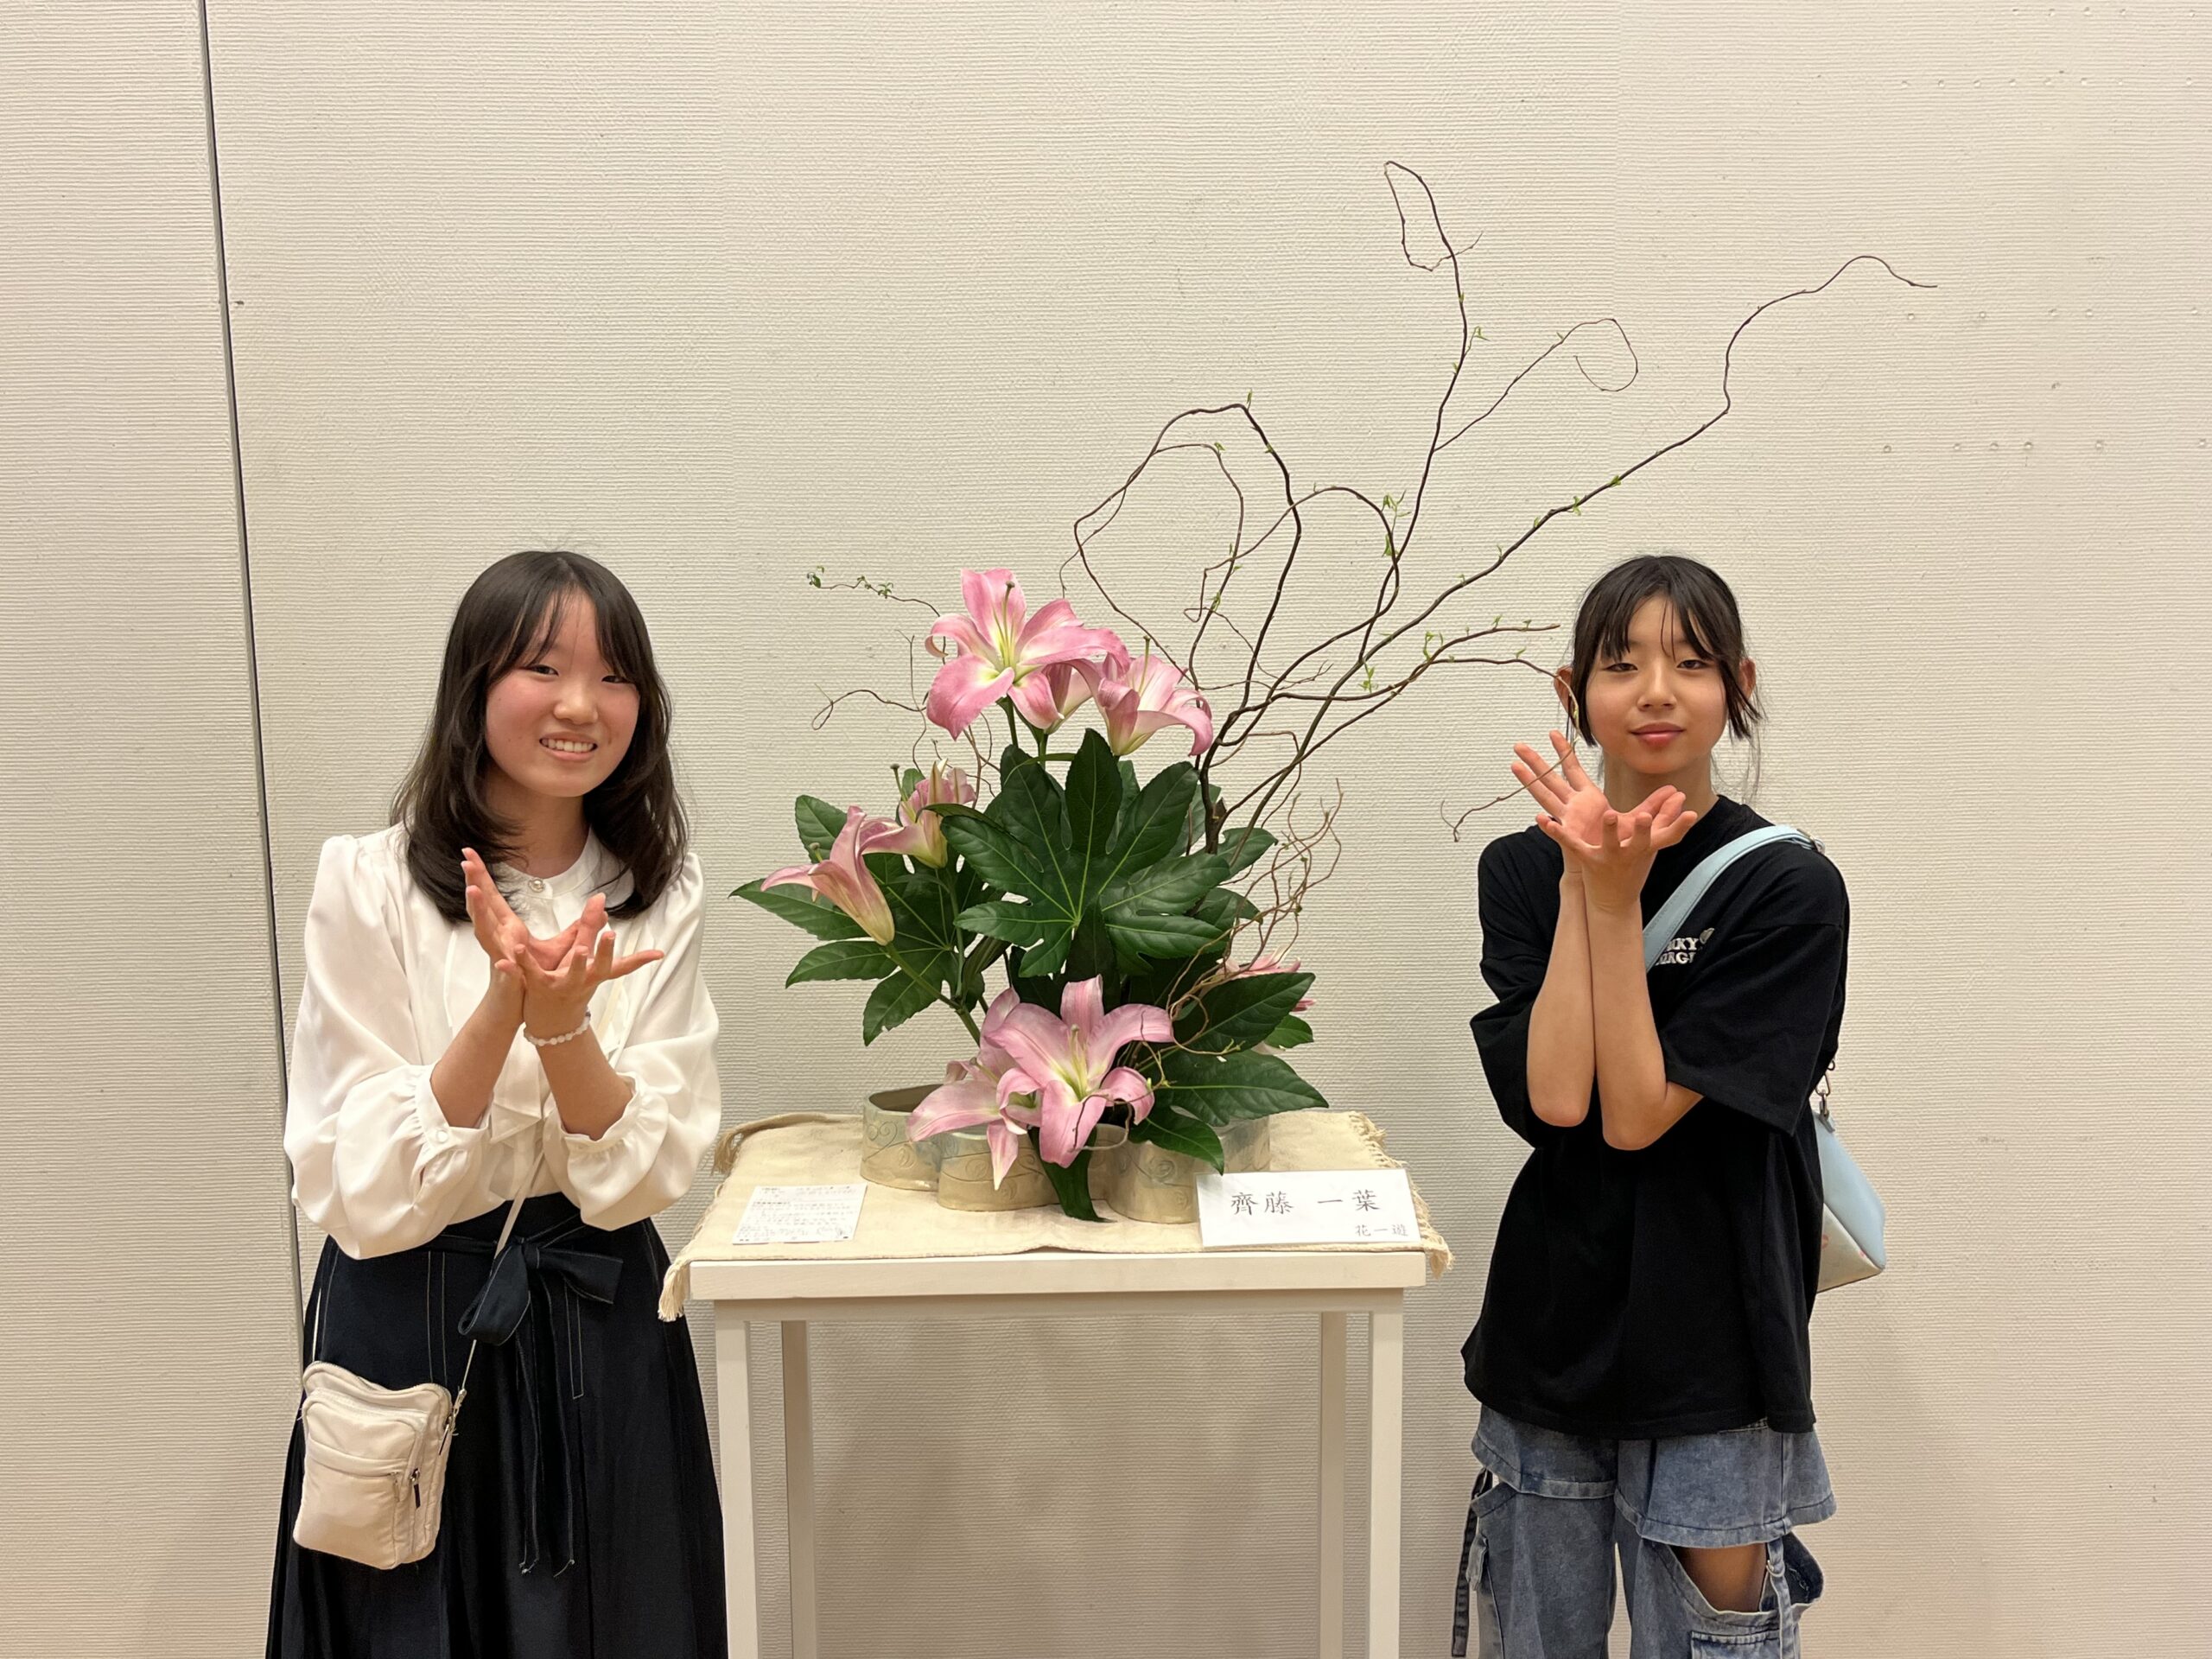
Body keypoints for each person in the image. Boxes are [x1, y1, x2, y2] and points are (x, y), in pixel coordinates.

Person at [267, 550, 726, 1658]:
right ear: (473, 686)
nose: (580, 705)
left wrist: (562, 1026)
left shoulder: (657, 890)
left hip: (598, 1317)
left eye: (614, 676)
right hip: (406, 1317)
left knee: (623, 1619)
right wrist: (503, 1007)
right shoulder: (367, 880)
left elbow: (645, 1173)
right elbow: (353, 1179)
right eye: (543, 668)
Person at [1453, 554, 1847, 1658]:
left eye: (1691, 662)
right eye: (1621, 664)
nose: (1656, 691)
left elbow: (1634, 1114)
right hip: (1551, 1327)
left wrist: (1618, 897)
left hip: (1718, 1342)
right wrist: (1584, 878)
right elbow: (1556, 1098)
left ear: (1738, 685)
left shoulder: (1785, 887)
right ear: (1571, 691)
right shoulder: (1519, 872)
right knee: (1539, 1638)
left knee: (1711, 1640)